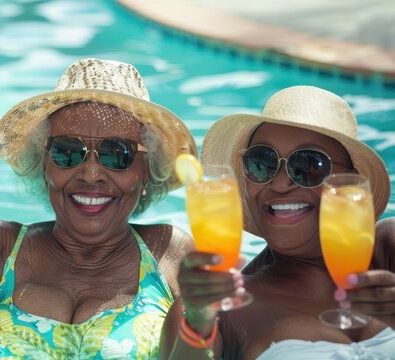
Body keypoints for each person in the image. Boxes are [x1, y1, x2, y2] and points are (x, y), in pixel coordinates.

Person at [0, 58, 198, 359]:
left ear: (146, 171)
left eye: (117, 154)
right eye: (68, 152)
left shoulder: (170, 253)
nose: (90, 174)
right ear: (44, 163)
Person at [163, 86, 395, 359]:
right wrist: (198, 324)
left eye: (309, 165)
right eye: (262, 162)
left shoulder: (387, 248)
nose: (280, 182)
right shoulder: (212, 309)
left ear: (352, 182)